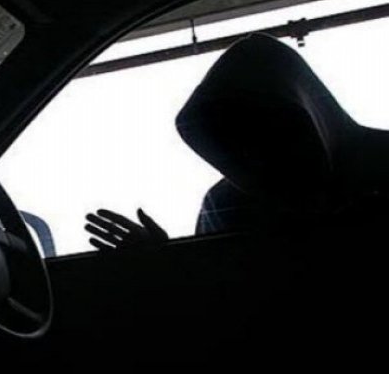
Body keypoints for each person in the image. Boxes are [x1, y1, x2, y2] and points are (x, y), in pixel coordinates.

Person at [86, 33, 388, 251]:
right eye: (238, 148)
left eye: (271, 135)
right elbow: (218, 294)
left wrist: (170, 263)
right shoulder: (225, 203)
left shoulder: (226, 203)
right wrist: (166, 260)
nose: (258, 165)